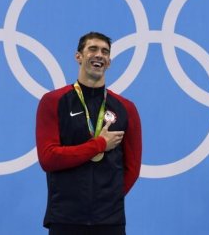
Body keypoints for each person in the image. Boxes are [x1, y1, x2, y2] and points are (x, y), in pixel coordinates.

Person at [36, 32, 142, 235]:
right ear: (79, 56)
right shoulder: (53, 101)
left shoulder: (126, 108)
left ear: (109, 62)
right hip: (65, 219)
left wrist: (109, 200)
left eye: (105, 51)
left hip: (110, 222)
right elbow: (49, 158)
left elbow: (132, 168)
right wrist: (100, 144)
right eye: (92, 49)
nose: (99, 55)